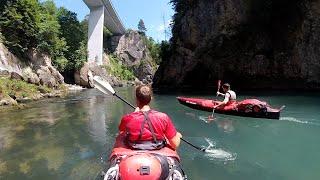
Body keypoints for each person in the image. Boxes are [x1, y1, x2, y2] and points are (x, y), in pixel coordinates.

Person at [119, 85, 182, 150]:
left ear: (136, 99)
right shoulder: (163, 117)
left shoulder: (127, 118)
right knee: (177, 135)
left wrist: (134, 114)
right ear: (151, 99)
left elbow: (122, 130)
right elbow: (175, 144)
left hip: (134, 148)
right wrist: (178, 136)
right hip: (157, 148)